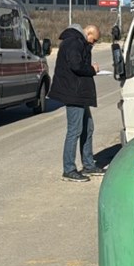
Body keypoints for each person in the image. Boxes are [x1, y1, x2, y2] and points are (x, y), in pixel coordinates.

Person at [49, 24, 103, 182]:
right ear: (88, 33)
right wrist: (92, 69)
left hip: (79, 93)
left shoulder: (79, 42)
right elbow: (76, 66)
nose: (92, 44)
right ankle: (69, 169)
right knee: (75, 130)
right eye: (93, 40)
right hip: (73, 93)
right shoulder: (74, 42)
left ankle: (88, 164)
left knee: (88, 127)